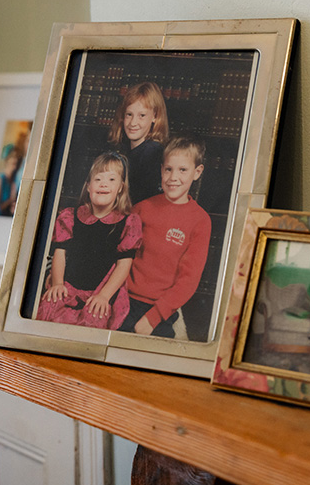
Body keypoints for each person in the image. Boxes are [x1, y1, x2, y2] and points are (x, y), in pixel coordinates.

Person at [36, 151, 142, 330]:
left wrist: (105, 296)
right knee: (47, 308)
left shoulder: (127, 222)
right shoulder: (70, 217)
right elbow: (60, 253)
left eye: (111, 180)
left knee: (93, 320)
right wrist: (57, 283)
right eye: (98, 179)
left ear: (121, 188)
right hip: (69, 284)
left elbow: (124, 265)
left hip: (100, 290)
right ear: (88, 186)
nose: (103, 184)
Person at [119, 135, 211, 338]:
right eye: (168, 169)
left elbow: (189, 280)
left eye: (183, 170)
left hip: (160, 311)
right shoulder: (142, 208)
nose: (173, 177)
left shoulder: (200, 221)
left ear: (197, 172)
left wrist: (153, 318)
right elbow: (116, 253)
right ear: (161, 169)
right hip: (122, 299)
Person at [108, 81, 169, 204]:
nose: (133, 123)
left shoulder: (152, 153)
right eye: (129, 114)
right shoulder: (128, 150)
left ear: (155, 117)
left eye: (142, 115)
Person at [0, 147, 20, 216]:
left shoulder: (13, 180)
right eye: (13, 163)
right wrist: (11, 199)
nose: (15, 167)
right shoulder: (1, 179)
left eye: (16, 164)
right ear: (7, 162)